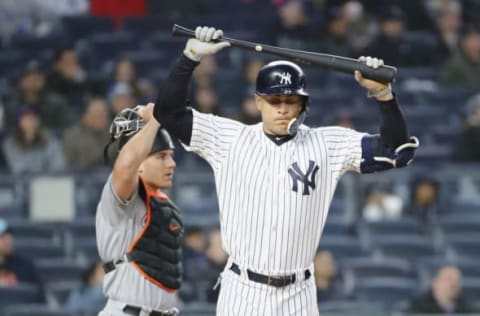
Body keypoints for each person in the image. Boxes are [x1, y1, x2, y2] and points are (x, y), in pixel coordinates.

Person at [153, 26, 419, 315]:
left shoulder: (327, 143)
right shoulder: (229, 138)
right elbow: (168, 112)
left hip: (298, 294)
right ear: (258, 102)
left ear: (303, 104)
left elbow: (396, 152)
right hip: (242, 290)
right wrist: (189, 57)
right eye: (274, 100)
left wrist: (383, 95)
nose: (282, 108)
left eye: (290, 100)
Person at [96, 103, 182, 315]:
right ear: (139, 165)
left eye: (171, 156)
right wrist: (153, 122)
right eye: (161, 156)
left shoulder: (162, 203)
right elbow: (125, 167)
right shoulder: (118, 199)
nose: (171, 163)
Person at [2, 106, 67, 174]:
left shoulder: (50, 140)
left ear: (38, 121)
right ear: (19, 122)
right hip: (22, 182)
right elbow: (19, 169)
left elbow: (59, 166)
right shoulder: (10, 144)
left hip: (48, 181)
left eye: (33, 118)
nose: (30, 121)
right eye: (26, 118)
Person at [0, 218, 45, 302]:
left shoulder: (25, 266)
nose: (8, 240)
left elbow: (40, 299)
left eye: (9, 235)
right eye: (2, 237)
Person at [62, 97, 111, 169]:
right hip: (80, 176)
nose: (101, 119)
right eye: (97, 115)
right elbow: (77, 162)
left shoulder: (113, 134)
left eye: (104, 115)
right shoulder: (73, 136)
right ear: (85, 116)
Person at [407, 265, 473, 314]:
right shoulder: (419, 307)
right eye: (449, 279)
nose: (454, 283)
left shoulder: (466, 308)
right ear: (435, 282)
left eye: (457, 280)